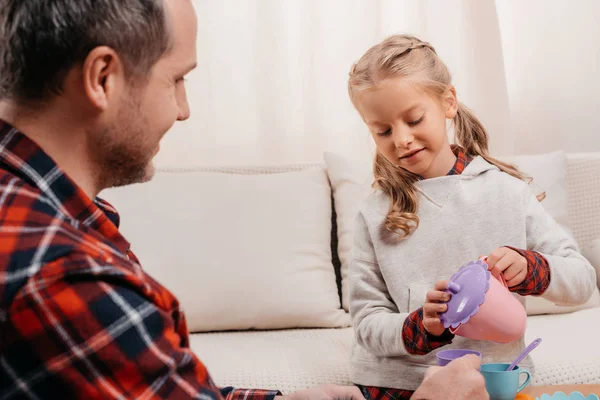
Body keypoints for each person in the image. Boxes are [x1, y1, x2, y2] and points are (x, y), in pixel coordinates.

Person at [0, 1, 486, 398]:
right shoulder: (61, 276)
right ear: (102, 77)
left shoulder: (47, 213)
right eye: (177, 79)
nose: (183, 110)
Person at [346, 34, 597, 399]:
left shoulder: (507, 192)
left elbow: (582, 281)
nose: (401, 139)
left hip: (493, 380)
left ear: (448, 102)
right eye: (382, 130)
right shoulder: (374, 213)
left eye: (414, 120)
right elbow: (367, 322)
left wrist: (531, 269)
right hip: (396, 386)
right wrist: (420, 326)